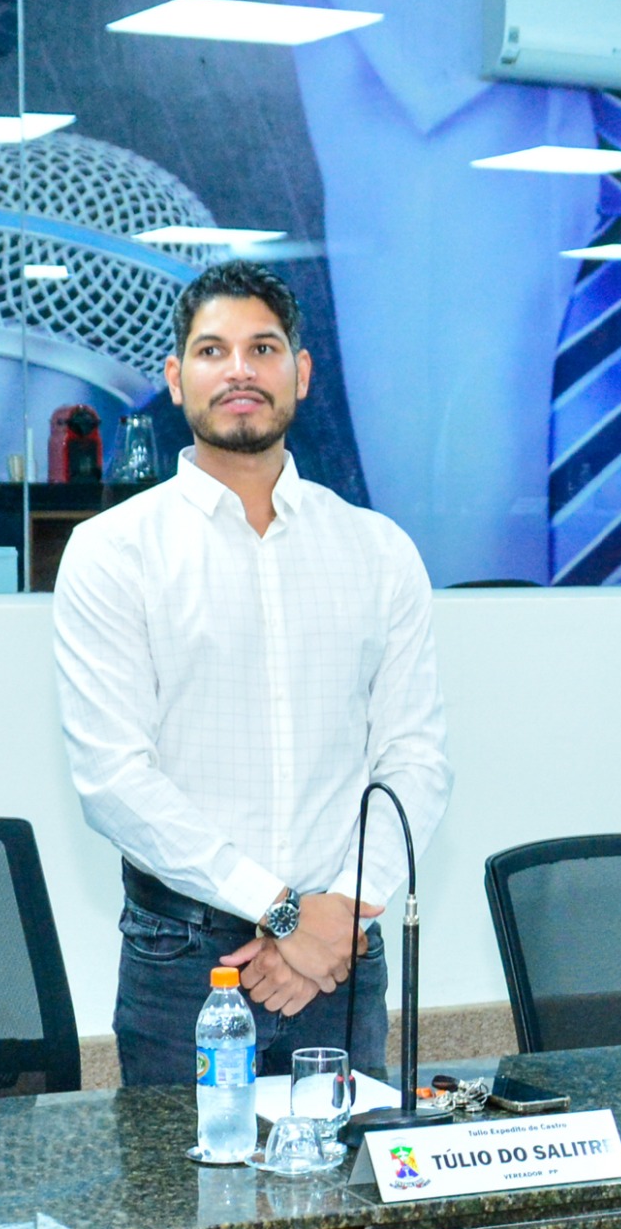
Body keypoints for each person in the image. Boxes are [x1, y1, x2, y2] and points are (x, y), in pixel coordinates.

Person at [53, 261, 450, 1087]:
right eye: (213, 350)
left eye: (263, 348)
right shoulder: (112, 552)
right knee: (178, 1174)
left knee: (347, 1173)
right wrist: (284, 911)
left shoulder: (378, 551)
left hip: (341, 958)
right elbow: (113, 778)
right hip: (183, 960)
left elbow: (414, 759)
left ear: (300, 373)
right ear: (175, 378)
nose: (239, 370)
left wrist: (336, 919)